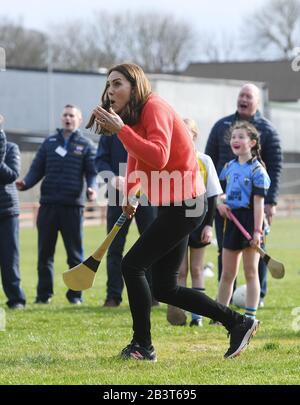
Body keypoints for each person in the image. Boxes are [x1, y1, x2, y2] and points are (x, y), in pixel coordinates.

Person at [88, 63, 259, 361]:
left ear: (135, 85)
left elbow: (158, 154)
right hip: (174, 206)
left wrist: (122, 131)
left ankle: (143, 346)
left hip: (187, 205)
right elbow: (138, 160)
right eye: (108, 85)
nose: (110, 91)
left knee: (132, 266)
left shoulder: (154, 108)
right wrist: (131, 192)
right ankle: (238, 322)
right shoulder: (135, 117)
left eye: (117, 83)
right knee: (165, 287)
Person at [205, 83, 282, 307]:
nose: (244, 99)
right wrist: (217, 198)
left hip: (253, 210)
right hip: (226, 206)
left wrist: (271, 202)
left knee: (254, 262)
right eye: (241, 95)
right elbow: (209, 162)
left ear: (257, 102)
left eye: (249, 96)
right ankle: (223, 309)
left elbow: (275, 167)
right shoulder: (222, 126)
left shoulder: (267, 131)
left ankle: (256, 301)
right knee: (226, 257)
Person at [16, 105, 97, 305]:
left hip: (72, 207)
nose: (68, 118)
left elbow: (92, 172)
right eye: (65, 115)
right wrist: (25, 183)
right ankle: (44, 295)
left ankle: (75, 295)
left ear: (79, 120)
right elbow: (37, 169)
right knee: (45, 254)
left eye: (72, 115)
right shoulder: (49, 143)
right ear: (62, 119)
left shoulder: (85, 145)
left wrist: (92, 189)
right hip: (48, 206)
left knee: (75, 255)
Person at [167, 118, 223, 327]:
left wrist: (209, 225)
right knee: (180, 271)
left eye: (185, 133)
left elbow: (212, 196)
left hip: (200, 222)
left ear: (194, 136)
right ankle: (178, 313)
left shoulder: (204, 160)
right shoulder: (171, 160)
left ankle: (197, 317)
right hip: (179, 223)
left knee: (197, 269)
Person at [95, 133, 157, 307]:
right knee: (114, 246)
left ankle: (153, 294)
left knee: (152, 245)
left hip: (146, 194)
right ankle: (113, 296)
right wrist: (113, 179)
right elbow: (100, 160)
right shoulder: (109, 131)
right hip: (117, 196)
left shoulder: (146, 125)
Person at [216, 121, 270, 320]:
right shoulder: (228, 167)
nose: (235, 140)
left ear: (252, 143)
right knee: (227, 273)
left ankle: (250, 316)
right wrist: (220, 204)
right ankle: (219, 314)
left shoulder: (257, 171)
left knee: (250, 271)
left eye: (241, 137)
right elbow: (220, 194)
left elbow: (258, 204)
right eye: (233, 137)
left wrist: (257, 231)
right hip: (232, 221)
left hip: (250, 221)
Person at [0, 118, 26, 309]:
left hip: (6, 210)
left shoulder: (11, 148)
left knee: (9, 259)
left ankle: (16, 299)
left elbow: (10, 175)